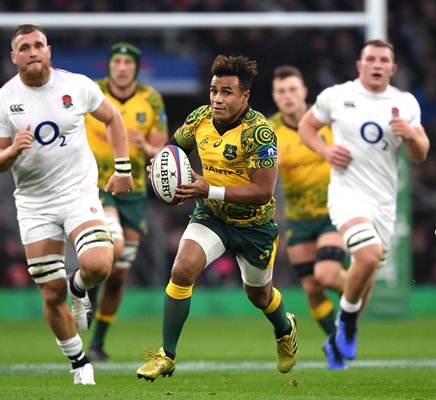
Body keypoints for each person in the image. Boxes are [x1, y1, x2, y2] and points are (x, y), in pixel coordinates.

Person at [0, 24, 133, 385]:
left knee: (99, 264)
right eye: (25, 47)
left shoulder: (77, 85)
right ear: (14, 57)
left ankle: (79, 287)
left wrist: (123, 167)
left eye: (38, 45)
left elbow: (112, 117)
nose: (33, 51)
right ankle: (80, 363)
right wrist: (11, 150)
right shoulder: (2, 100)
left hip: (78, 193)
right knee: (51, 292)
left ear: (48, 50)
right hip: (34, 204)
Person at [136, 54, 298, 381]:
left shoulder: (260, 133)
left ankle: (285, 328)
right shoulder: (199, 119)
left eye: (226, 92)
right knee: (182, 269)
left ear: (244, 96)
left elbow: (263, 191)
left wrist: (208, 188)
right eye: (213, 91)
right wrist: (159, 167)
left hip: (254, 226)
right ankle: (167, 354)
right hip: (211, 216)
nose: (217, 99)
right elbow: (173, 149)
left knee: (259, 295)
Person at [298, 39, 430, 363]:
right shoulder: (337, 97)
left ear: (392, 68)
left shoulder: (405, 103)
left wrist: (411, 135)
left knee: (365, 273)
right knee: (368, 257)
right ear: (359, 65)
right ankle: (347, 322)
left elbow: (420, 154)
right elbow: (306, 126)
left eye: (383, 59)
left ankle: (338, 337)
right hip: (347, 195)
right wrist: (326, 150)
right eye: (370, 58)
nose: (376, 64)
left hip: (384, 202)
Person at [84, 42, 168, 362]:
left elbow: (160, 153)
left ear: (135, 67)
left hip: (133, 193)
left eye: (127, 62)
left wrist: (144, 144)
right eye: (116, 61)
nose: (121, 67)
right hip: (96, 185)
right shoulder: (91, 91)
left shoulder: (151, 98)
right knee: (113, 243)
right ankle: (85, 291)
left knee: (119, 274)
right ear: (109, 65)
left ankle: (98, 343)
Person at [269, 65, 348, 369]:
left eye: (292, 89)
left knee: (327, 276)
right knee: (312, 288)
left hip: (334, 211)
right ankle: (336, 343)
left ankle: (357, 290)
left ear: (304, 91)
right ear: (275, 97)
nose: (288, 96)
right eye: (281, 91)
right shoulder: (269, 132)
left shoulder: (327, 119)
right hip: (299, 220)